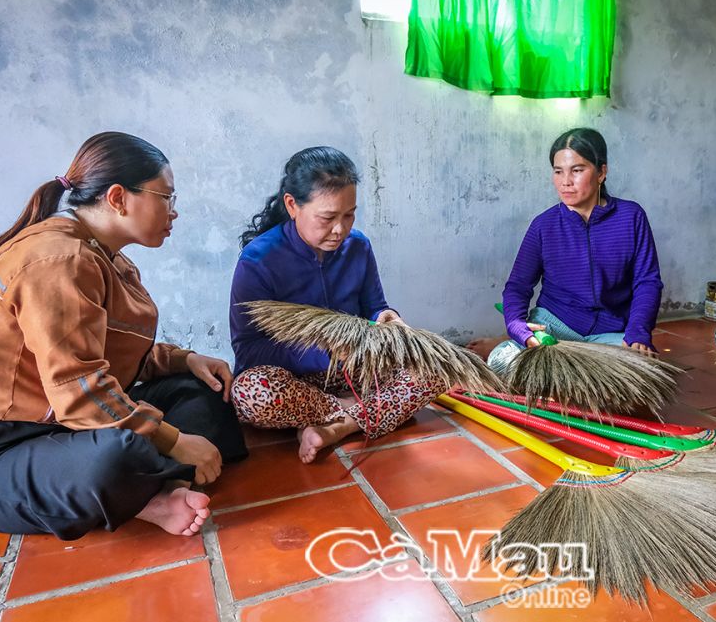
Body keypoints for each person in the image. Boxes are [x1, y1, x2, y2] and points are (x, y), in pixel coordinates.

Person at [0, 132, 247, 540]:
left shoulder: (101, 255)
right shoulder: (58, 260)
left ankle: (171, 487)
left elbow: (113, 351)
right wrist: (174, 440)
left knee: (204, 390)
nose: (174, 212)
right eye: (166, 197)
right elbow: (78, 392)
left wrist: (185, 360)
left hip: (65, 425)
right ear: (118, 198)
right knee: (115, 457)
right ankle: (152, 499)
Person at [229, 147, 444, 463]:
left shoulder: (358, 246)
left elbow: (374, 307)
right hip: (295, 379)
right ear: (292, 205)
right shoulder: (258, 261)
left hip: (355, 370)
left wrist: (387, 319)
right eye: (327, 217)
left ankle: (334, 427)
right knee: (251, 393)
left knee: (435, 364)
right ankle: (354, 414)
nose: (340, 229)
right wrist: (322, 354)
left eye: (349, 214)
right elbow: (248, 350)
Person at [466, 127, 664, 372]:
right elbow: (518, 286)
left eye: (577, 170)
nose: (565, 181)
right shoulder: (543, 225)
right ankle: (513, 344)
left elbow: (647, 282)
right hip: (553, 326)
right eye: (558, 171)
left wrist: (637, 332)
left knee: (644, 371)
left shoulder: (631, 216)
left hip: (610, 332)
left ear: (602, 172)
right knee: (502, 364)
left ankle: (556, 357)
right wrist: (517, 326)